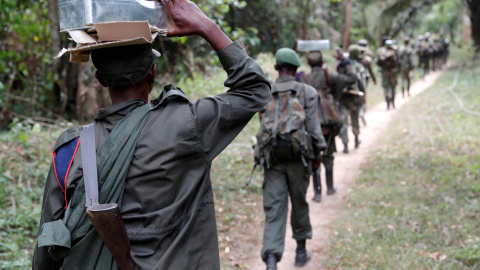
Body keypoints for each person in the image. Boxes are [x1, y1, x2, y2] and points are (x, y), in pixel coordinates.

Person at [32, 0, 271, 269]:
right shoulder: (188, 125)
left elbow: (47, 247)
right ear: (152, 73)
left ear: (100, 80)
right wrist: (206, 26)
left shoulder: (68, 152)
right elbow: (255, 91)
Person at [261, 48, 326, 270]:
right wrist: (317, 155)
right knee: (299, 203)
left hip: (272, 159)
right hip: (299, 158)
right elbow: (314, 130)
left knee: (274, 208)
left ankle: (271, 261)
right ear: (297, 70)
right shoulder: (307, 92)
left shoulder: (265, 91)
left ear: (277, 68)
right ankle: (300, 252)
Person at [299, 50, 356, 201]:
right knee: (329, 154)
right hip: (330, 122)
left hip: (312, 124)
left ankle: (317, 193)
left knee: (314, 156)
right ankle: (330, 187)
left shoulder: (304, 80)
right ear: (321, 61)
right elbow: (352, 78)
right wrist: (345, 61)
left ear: (309, 63)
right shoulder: (329, 76)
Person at [337, 46, 364, 153]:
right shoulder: (358, 67)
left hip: (343, 98)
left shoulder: (341, 66)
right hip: (354, 98)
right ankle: (356, 138)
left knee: (343, 121)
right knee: (354, 119)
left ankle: (345, 145)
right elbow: (362, 84)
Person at [375, 36, 399, 110]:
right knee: (393, 87)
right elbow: (398, 61)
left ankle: (388, 103)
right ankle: (392, 102)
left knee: (386, 88)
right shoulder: (395, 50)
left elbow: (377, 61)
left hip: (384, 72)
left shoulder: (381, 50)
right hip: (393, 72)